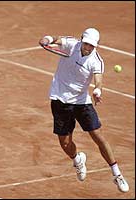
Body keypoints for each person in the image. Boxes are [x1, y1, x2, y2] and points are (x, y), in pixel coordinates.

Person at [39, 28, 129, 193]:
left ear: (96, 46)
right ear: (82, 40)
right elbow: (56, 38)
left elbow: (98, 80)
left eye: (92, 46)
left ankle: (117, 174)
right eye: (86, 44)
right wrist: (47, 39)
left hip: (81, 102)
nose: (88, 48)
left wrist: (98, 90)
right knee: (65, 143)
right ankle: (77, 159)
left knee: (97, 135)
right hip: (60, 98)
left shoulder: (96, 61)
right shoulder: (72, 45)